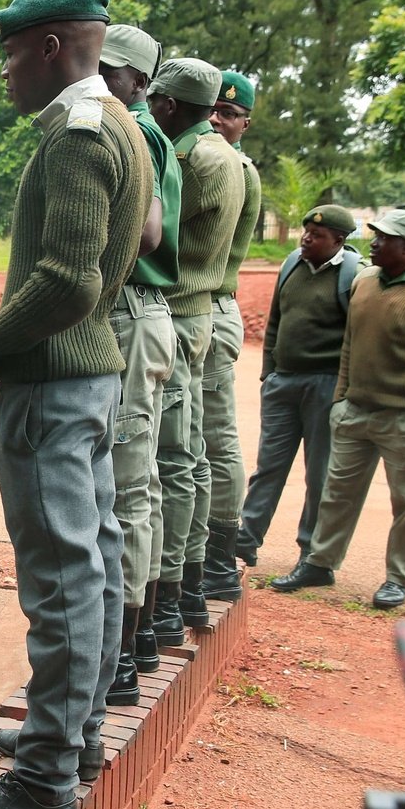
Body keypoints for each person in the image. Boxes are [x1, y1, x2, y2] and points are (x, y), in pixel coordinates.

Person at [0, 0, 151, 809]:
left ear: (50, 48)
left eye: (8, 59)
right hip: (91, 378)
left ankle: (41, 787)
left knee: (63, 586)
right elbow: (129, 252)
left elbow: (68, 281)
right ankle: (73, 733)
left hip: (54, 384)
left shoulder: (75, 133)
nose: (4, 77)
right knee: (92, 568)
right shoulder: (124, 128)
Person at [271, 210, 405, 610]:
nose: (374, 243)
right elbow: (350, 344)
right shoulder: (363, 281)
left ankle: (397, 578)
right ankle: (320, 563)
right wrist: (341, 398)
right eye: (375, 235)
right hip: (354, 412)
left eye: (384, 239)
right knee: (336, 494)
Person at [95, 24, 181, 705]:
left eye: (114, 71)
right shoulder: (147, 128)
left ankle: (122, 655)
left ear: (142, 82)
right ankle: (139, 636)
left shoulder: (138, 132)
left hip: (131, 305)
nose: (103, 78)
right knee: (140, 484)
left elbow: (144, 232)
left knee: (127, 488)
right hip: (146, 310)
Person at [145, 58, 244, 646]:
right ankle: (189, 584)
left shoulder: (196, 158)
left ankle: (173, 593)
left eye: (158, 101)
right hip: (198, 310)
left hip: (181, 311)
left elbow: (161, 236)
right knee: (190, 457)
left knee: (173, 461)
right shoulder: (224, 157)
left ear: (173, 104)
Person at [235, 205, 360, 574]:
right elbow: (276, 320)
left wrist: (343, 388)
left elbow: (357, 336)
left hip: (325, 384)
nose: (306, 238)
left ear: (338, 240)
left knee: (318, 472)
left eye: (316, 235)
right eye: (306, 231)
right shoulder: (292, 263)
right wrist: (268, 372)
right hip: (283, 382)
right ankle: (247, 539)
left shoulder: (354, 276)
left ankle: (311, 552)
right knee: (268, 467)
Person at [194, 70, 264, 603]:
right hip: (210, 310)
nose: (219, 119)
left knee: (215, 436)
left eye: (231, 113)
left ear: (246, 123)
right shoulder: (223, 161)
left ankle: (219, 555)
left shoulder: (230, 168)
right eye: (214, 109)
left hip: (212, 308)